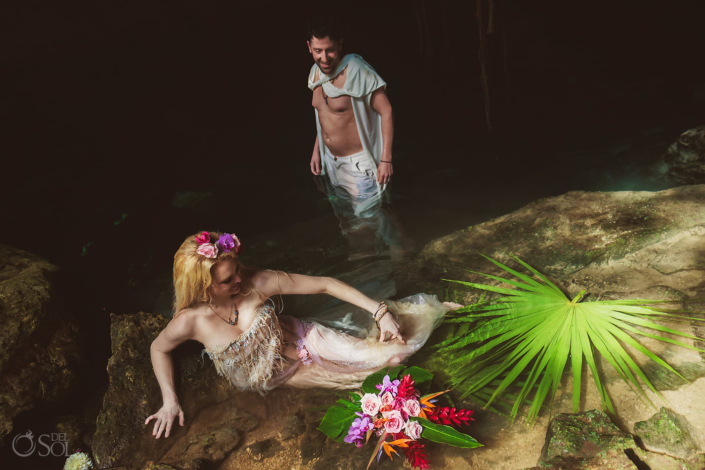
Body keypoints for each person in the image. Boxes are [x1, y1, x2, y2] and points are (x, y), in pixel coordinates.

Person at [145, 231, 453, 439]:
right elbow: (158, 349)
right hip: (281, 376)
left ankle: (433, 310)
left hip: (306, 338)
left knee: (395, 356)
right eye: (228, 279)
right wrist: (169, 400)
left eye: (237, 268)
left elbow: (326, 284)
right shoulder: (189, 322)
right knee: (377, 381)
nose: (240, 278)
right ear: (202, 285)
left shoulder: (258, 282)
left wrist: (380, 313)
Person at [307, 16, 394, 217]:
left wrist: (386, 160)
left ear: (340, 44)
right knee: (347, 219)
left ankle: (396, 245)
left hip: (359, 164)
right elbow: (323, 115)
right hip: (331, 161)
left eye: (330, 50)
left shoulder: (356, 70)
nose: (324, 58)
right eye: (318, 51)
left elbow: (386, 110)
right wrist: (317, 151)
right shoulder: (315, 72)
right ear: (309, 47)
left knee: (367, 220)